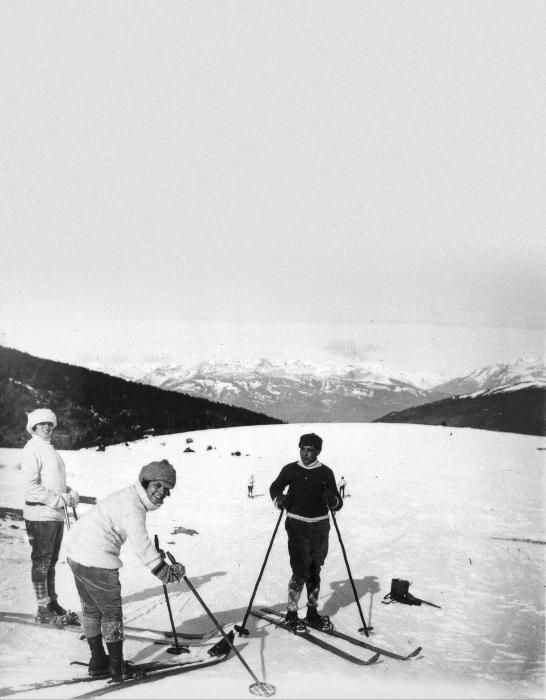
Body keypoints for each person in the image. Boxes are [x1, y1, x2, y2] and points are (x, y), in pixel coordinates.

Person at [66, 459, 185, 682]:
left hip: (76, 552)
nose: (161, 492)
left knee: (92, 609)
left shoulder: (129, 495)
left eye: (166, 489)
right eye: (157, 485)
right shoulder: (133, 506)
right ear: (145, 481)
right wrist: (165, 572)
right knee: (111, 614)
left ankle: (99, 661)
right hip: (95, 557)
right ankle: (117, 668)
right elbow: (141, 546)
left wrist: (156, 560)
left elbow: (137, 539)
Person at [269, 433, 342, 631]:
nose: (305, 453)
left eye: (310, 450)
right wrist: (279, 499)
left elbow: (338, 502)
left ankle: (312, 612)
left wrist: (332, 499)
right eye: (302, 448)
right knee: (300, 570)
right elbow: (275, 487)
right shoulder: (291, 469)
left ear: (318, 451)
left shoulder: (326, 472)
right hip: (297, 525)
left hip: (320, 526)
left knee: (315, 569)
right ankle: (292, 613)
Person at [22, 408, 80, 626]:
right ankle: (42, 607)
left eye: (49, 424)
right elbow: (32, 487)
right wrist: (60, 500)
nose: (46, 427)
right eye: (41, 424)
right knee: (42, 562)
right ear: (33, 427)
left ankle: (51, 602)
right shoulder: (32, 449)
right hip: (40, 514)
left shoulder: (49, 449)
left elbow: (56, 483)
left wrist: (70, 494)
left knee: (51, 561)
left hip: (54, 515)